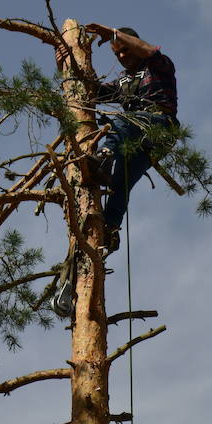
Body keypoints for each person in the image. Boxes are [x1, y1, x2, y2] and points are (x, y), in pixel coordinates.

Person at [81, 23, 179, 253]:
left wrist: (114, 34)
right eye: (117, 54)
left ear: (135, 45)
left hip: (162, 126)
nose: (122, 57)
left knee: (122, 121)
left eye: (125, 50)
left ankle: (104, 157)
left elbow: (150, 51)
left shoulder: (158, 65)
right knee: (120, 181)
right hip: (138, 136)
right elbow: (89, 90)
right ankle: (110, 229)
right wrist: (64, 61)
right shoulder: (123, 82)